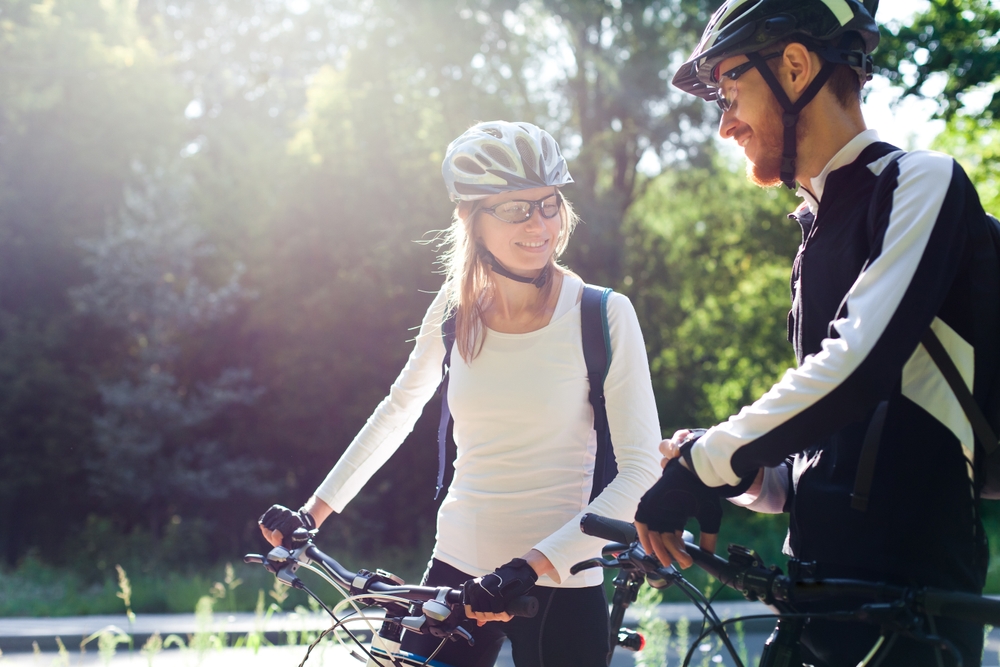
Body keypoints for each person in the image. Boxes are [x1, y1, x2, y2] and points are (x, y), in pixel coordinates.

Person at [633, 1, 1000, 665]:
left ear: (796, 67)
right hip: (812, 602)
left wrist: (711, 457)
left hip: (912, 614)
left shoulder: (919, 183)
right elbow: (806, 469)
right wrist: (728, 472)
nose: (723, 125)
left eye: (728, 87)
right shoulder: (811, 238)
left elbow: (858, 369)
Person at [258, 120, 662, 667]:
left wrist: (528, 567)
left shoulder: (602, 314)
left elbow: (641, 469)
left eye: (548, 204)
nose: (539, 224)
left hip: (563, 576)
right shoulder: (456, 310)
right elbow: (400, 409)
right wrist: (313, 513)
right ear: (469, 218)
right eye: (516, 208)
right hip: (457, 568)